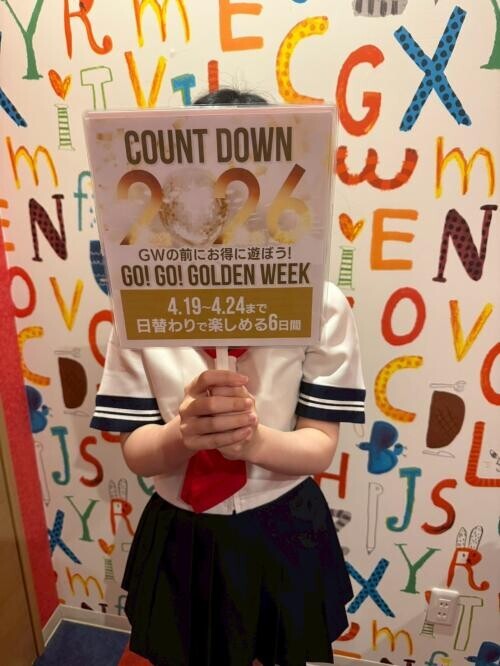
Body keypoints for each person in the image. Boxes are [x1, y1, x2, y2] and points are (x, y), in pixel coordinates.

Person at [90, 88, 365, 666]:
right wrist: (182, 435)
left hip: (282, 526)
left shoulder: (322, 306)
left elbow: (320, 444)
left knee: (280, 652)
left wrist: (252, 440)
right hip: (183, 533)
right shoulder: (138, 308)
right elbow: (135, 449)